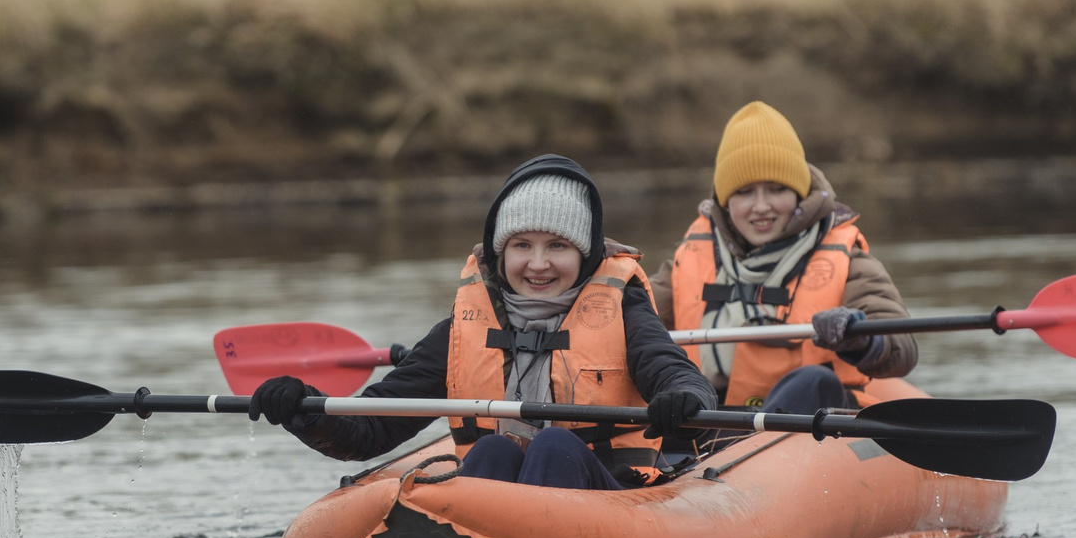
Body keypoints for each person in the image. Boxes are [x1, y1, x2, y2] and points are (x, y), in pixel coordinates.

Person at [247, 155, 718, 489]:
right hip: (497, 516)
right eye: (521, 246)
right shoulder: (463, 328)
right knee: (493, 452)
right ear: (499, 253)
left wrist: (682, 400)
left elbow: (677, 374)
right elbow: (372, 428)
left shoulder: (624, 310)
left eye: (557, 246)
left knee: (555, 446)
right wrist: (304, 409)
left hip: (608, 496)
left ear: (586, 253)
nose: (538, 264)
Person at [649, 101, 917, 414]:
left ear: (799, 195)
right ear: (724, 201)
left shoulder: (849, 260)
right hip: (713, 419)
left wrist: (858, 337)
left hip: (808, 418)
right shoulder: (689, 259)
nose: (761, 206)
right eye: (745, 192)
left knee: (813, 381)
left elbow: (903, 351)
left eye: (776, 189)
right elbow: (632, 321)